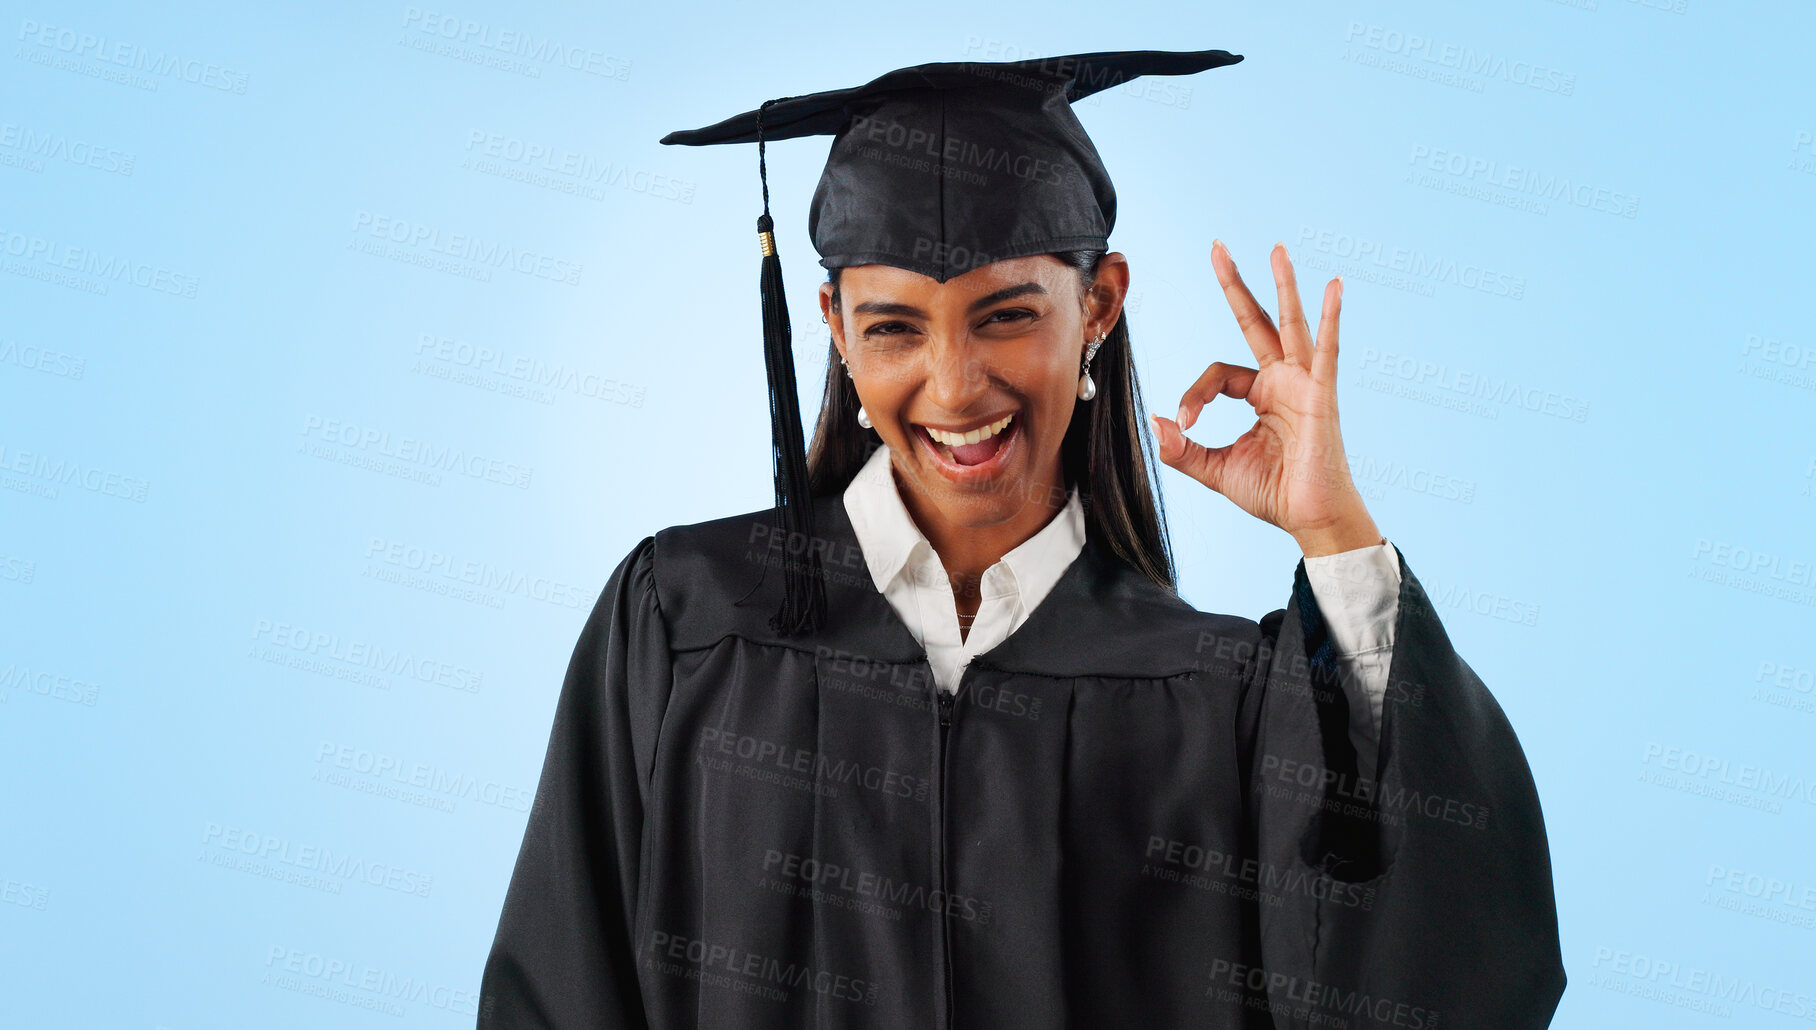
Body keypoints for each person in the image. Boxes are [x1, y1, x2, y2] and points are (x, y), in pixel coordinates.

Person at [478, 50, 1564, 1029]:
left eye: (1008, 315)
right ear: (834, 331)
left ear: (1099, 306)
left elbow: (1439, 984)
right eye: (895, 325)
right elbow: (558, 991)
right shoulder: (684, 625)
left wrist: (1336, 533)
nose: (956, 386)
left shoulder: (1219, 696)